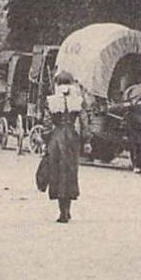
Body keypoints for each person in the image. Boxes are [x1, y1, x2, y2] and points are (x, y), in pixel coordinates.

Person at [39, 71, 82, 222]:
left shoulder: (51, 101)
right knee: (69, 173)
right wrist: (86, 140)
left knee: (56, 173)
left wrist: (46, 140)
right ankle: (67, 210)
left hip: (56, 138)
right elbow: (83, 122)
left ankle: (62, 211)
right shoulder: (78, 101)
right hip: (71, 139)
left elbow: (46, 123)